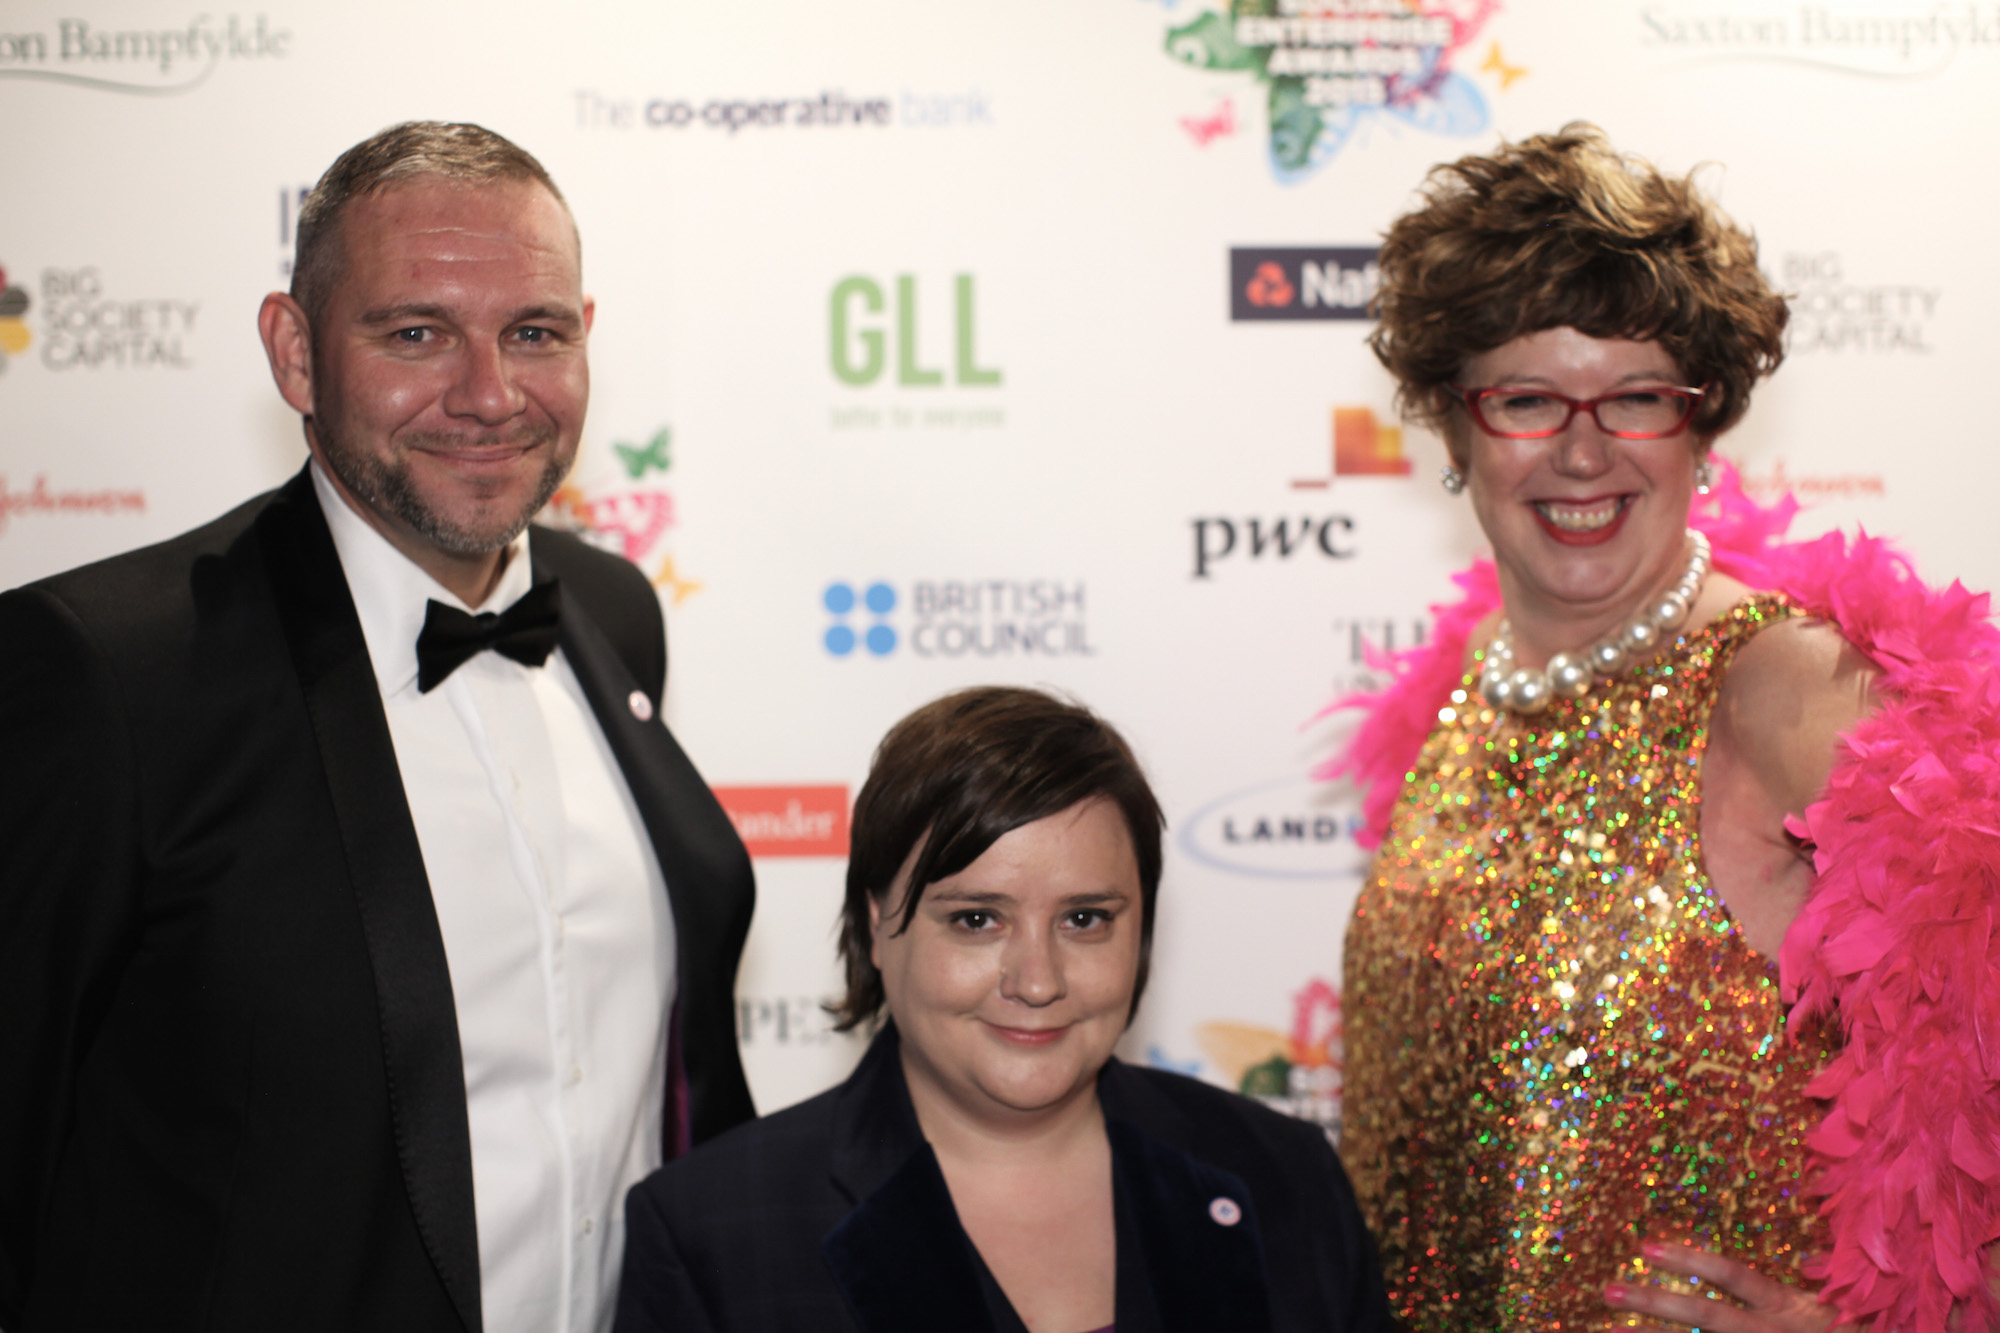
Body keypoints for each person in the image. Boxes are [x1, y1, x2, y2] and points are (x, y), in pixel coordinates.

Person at [0, 121, 756, 1333]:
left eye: (534, 332)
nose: (489, 394)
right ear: (295, 353)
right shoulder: (102, 674)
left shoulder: (612, 611)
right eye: (415, 333)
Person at [1326, 124, 2000, 1333]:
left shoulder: (1786, 685)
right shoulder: (1465, 692)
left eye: (1634, 398)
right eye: (1526, 397)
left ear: (1701, 425)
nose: (1581, 450)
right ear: (1452, 425)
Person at [614, 686, 1394, 1333]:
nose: (1037, 978)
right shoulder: (711, 1232)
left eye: (1085, 918)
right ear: (878, 925)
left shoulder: (1283, 1177)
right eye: (977, 918)